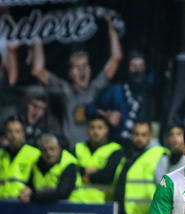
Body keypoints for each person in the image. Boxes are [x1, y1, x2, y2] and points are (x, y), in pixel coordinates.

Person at [31, 14, 122, 148]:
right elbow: (38, 70)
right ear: (71, 73)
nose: (82, 70)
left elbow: (116, 58)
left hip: (93, 150)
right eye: (78, 67)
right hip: (70, 149)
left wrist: (111, 27)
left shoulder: (95, 88)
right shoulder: (65, 89)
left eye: (85, 66)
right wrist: (37, 33)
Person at [87, 51, 152, 145]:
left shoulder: (148, 93)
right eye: (134, 66)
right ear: (127, 68)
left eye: (141, 66)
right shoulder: (116, 91)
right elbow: (89, 108)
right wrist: (106, 115)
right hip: (114, 144)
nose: (137, 70)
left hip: (138, 145)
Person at [18, 133, 86, 204]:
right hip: (44, 206)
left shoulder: (69, 164)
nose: (48, 153)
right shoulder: (36, 164)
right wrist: (26, 193)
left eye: (52, 149)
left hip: (72, 206)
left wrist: (33, 196)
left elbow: (63, 193)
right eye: (44, 150)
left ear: (59, 148)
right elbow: (30, 187)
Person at [76, 114, 124, 203]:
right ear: (87, 129)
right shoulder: (78, 148)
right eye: (92, 128)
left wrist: (87, 177)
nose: (96, 132)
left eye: (100, 128)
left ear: (107, 130)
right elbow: (70, 170)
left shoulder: (115, 149)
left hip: (102, 202)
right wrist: (91, 171)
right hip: (77, 201)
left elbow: (107, 175)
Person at [0, 116, 40, 200]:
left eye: (17, 131)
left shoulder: (34, 154)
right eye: (10, 131)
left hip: (22, 202)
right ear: (5, 134)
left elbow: (41, 180)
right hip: (2, 202)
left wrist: (32, 191)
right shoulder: (1, 154)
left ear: (23, 133)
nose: (13, 135)